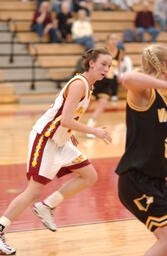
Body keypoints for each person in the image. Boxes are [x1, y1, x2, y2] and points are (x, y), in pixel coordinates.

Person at [0, 48, 112, 255]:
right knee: (33, 190)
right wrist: (93, 131)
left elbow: (64, 114)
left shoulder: (88, 86)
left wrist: (69, 132)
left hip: (60, 138)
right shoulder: (79, 84)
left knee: (89, 175)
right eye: (104, 64)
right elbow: (66, 119)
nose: (107, 69)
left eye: (109, 65)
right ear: (92, 64)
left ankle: (47, 206)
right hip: (46, 138)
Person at [115, 43, 167, 256]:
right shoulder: (146, 92)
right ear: (164, 64)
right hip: (137, 179)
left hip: (154, 179)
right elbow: (127, 78)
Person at [86, 34, 123, 138]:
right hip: (98, 80)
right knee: (88, 104)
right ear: (107, 40)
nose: (114, 41)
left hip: (108, 81)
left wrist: (119, 74)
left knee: (103, 103)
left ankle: (91, 126)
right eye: (112, 39)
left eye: (116, 39)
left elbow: (118, 64)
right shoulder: (102, 51)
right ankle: (71, 121)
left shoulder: (119, 52)